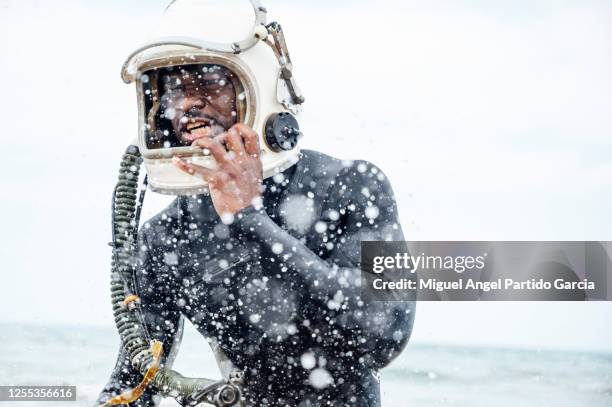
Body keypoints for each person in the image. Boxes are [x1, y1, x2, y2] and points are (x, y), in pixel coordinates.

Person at [97, 1, 415, 406]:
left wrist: (249, 219)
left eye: (207, 81)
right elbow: (133, 382)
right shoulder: (165, 239)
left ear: (256, 88)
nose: (188, 102)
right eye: (174, 88)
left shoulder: (349, 185)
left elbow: (384, 332)